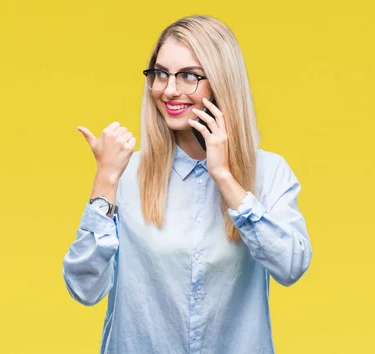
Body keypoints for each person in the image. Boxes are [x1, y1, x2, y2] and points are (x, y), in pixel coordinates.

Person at [62, 15, 312, 354]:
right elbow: (84, 288)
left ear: (221, 83)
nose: (169, 90)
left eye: (189, 76)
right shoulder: (126, 174)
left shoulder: (269, 172)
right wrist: (105, 181)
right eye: (160, 74)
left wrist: (224, 176)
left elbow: (291, 266)